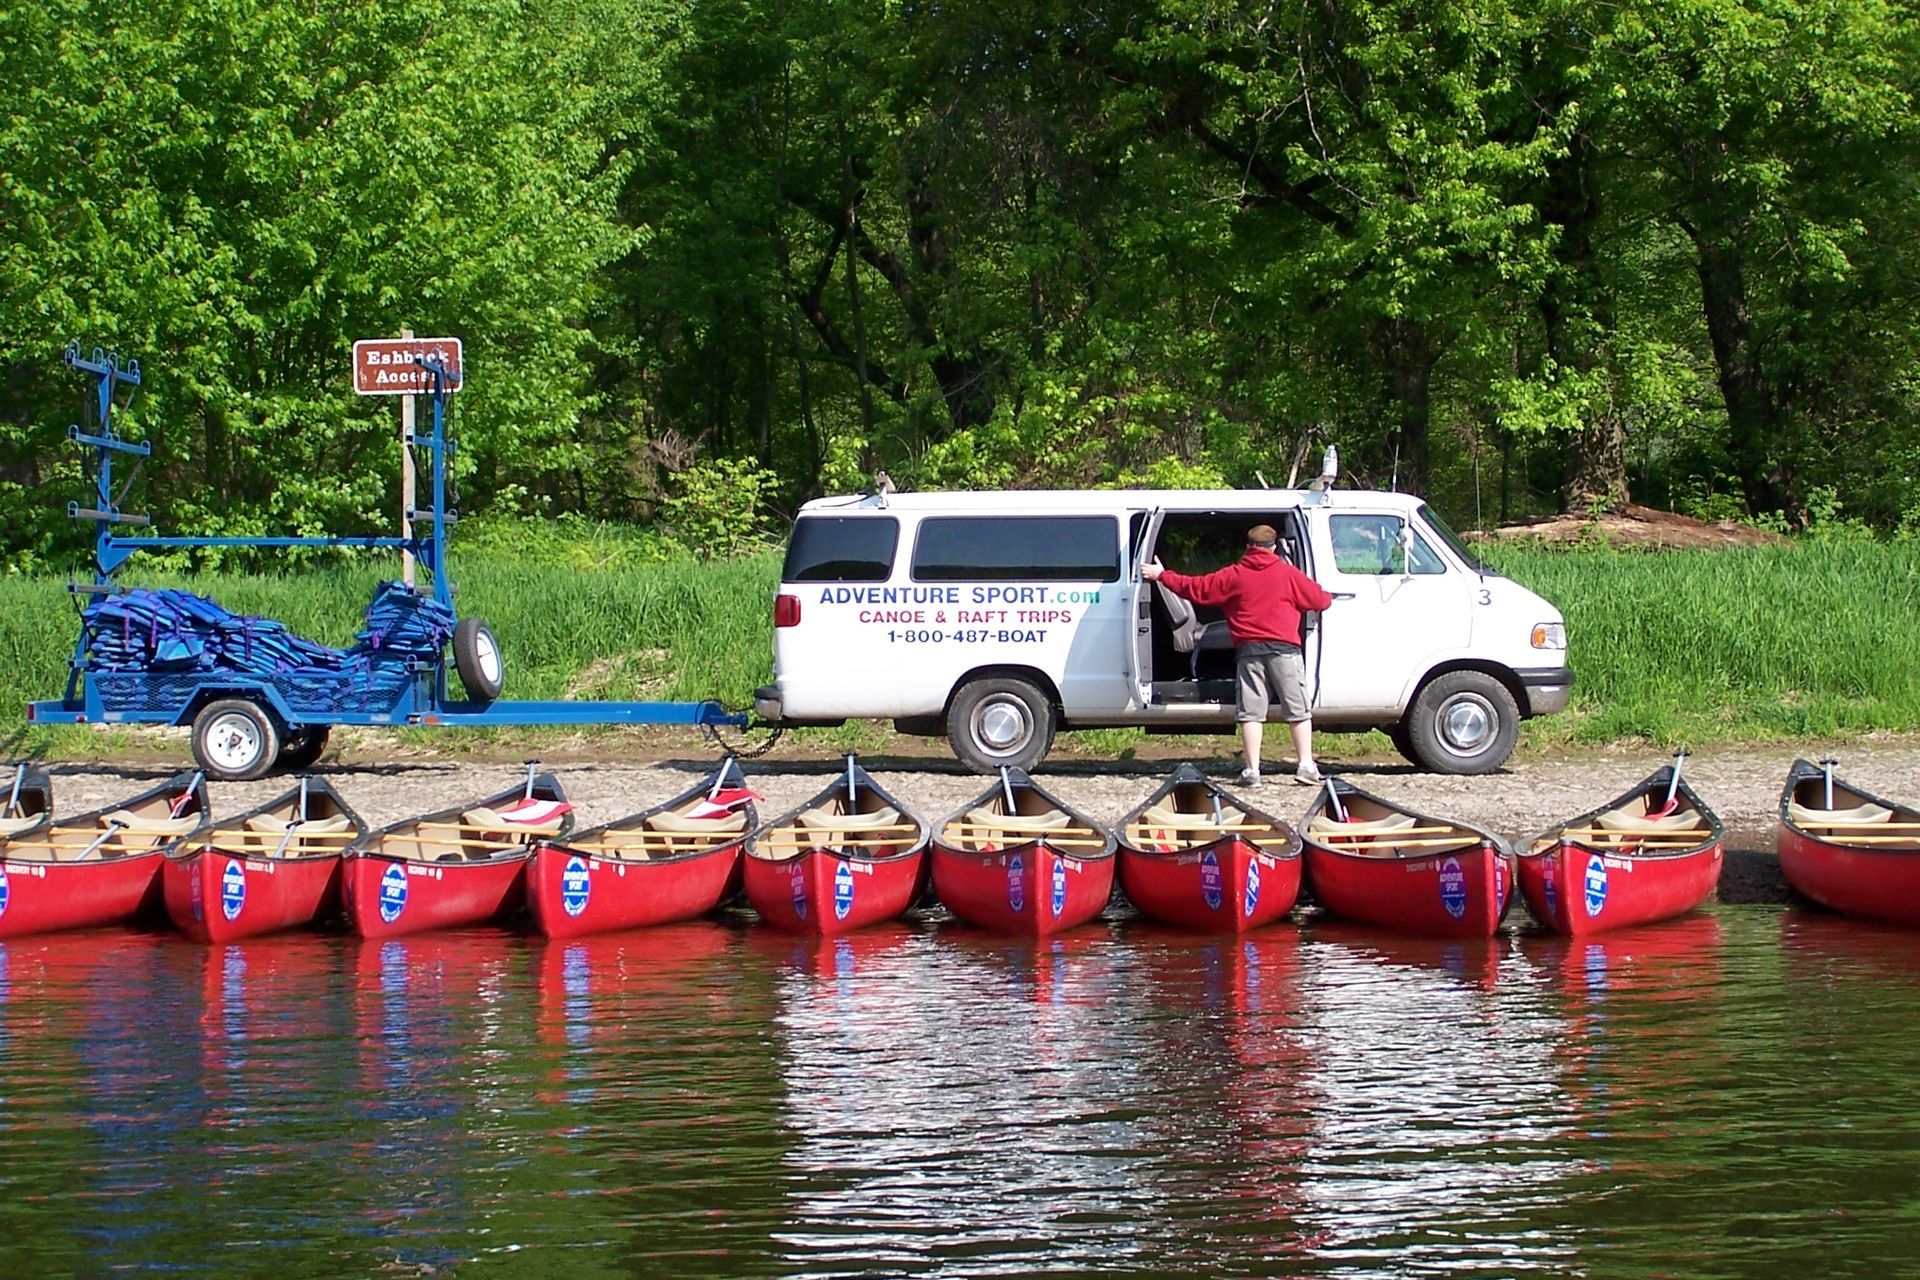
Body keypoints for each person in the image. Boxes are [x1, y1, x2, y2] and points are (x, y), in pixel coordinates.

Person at [1143, 525, 1335, 786]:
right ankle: (1305, 766)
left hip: (1250, 651)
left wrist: (1162, 575)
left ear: (1248, 547)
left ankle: (1252, 771)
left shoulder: (1235, 575)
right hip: (1285, 650)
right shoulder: (1289, 574)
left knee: (1251, 713)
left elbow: (1196, 588)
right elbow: (1320, 601)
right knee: (1298, 710)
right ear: (1274, 547)